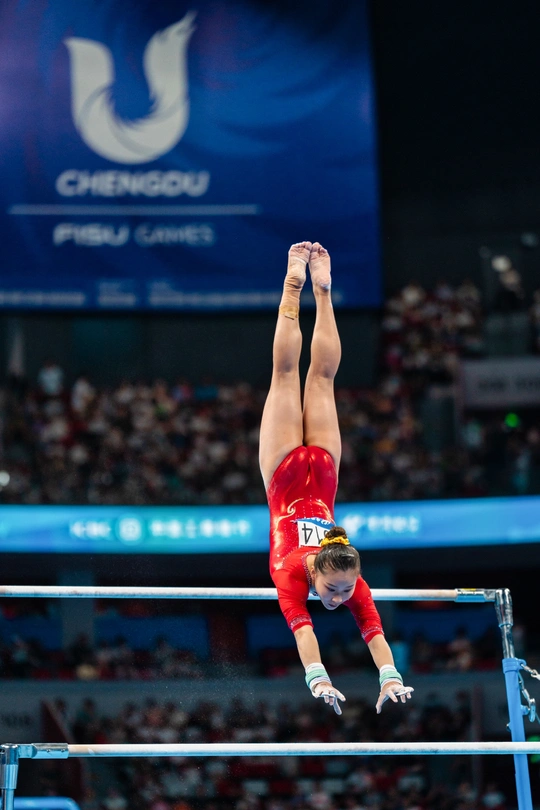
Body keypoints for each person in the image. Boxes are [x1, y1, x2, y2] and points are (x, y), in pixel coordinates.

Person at [259, 241, 413, 715]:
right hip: (309, 471)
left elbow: (332, 630)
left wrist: (323, 679)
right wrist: (333, 678)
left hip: (303, 471)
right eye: (339, 591)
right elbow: (363, 632)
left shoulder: (295, 574)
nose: (343, 596)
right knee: (306, 378)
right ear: (324, 570)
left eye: (343, 590)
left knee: (292, 376)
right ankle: (316, 291)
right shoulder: (313, 572)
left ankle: (304, 287)